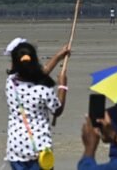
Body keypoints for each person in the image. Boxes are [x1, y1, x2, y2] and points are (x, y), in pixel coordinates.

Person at [5, 42, 69, 170]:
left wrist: (57, 57)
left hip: (16, 146)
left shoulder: (10, 83)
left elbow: (39, 73)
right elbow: (57, 109)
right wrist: (62, 86)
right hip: (39, 149)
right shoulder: (43, 90)